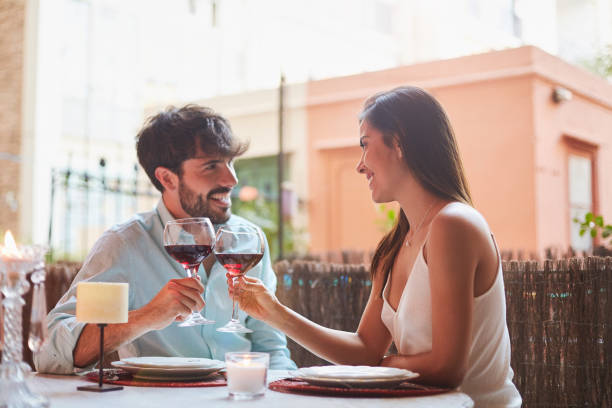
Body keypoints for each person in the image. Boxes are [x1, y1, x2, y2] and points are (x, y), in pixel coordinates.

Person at [229, 87, 521, 407]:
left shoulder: (454, 225)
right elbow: (365, 348)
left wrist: (376, 369)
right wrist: (276, 314)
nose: (360, 165)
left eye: (365, 145)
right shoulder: (394, 248)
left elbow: (446, 368)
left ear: (399, 141)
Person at [35, 105, 296, 374]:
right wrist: (148, 316)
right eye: (211, 166)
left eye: (230, 162)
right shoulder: (125, 244)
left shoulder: (249, 240)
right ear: (167, 178)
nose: (232, 179)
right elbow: (50, 352)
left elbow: (272, 350)